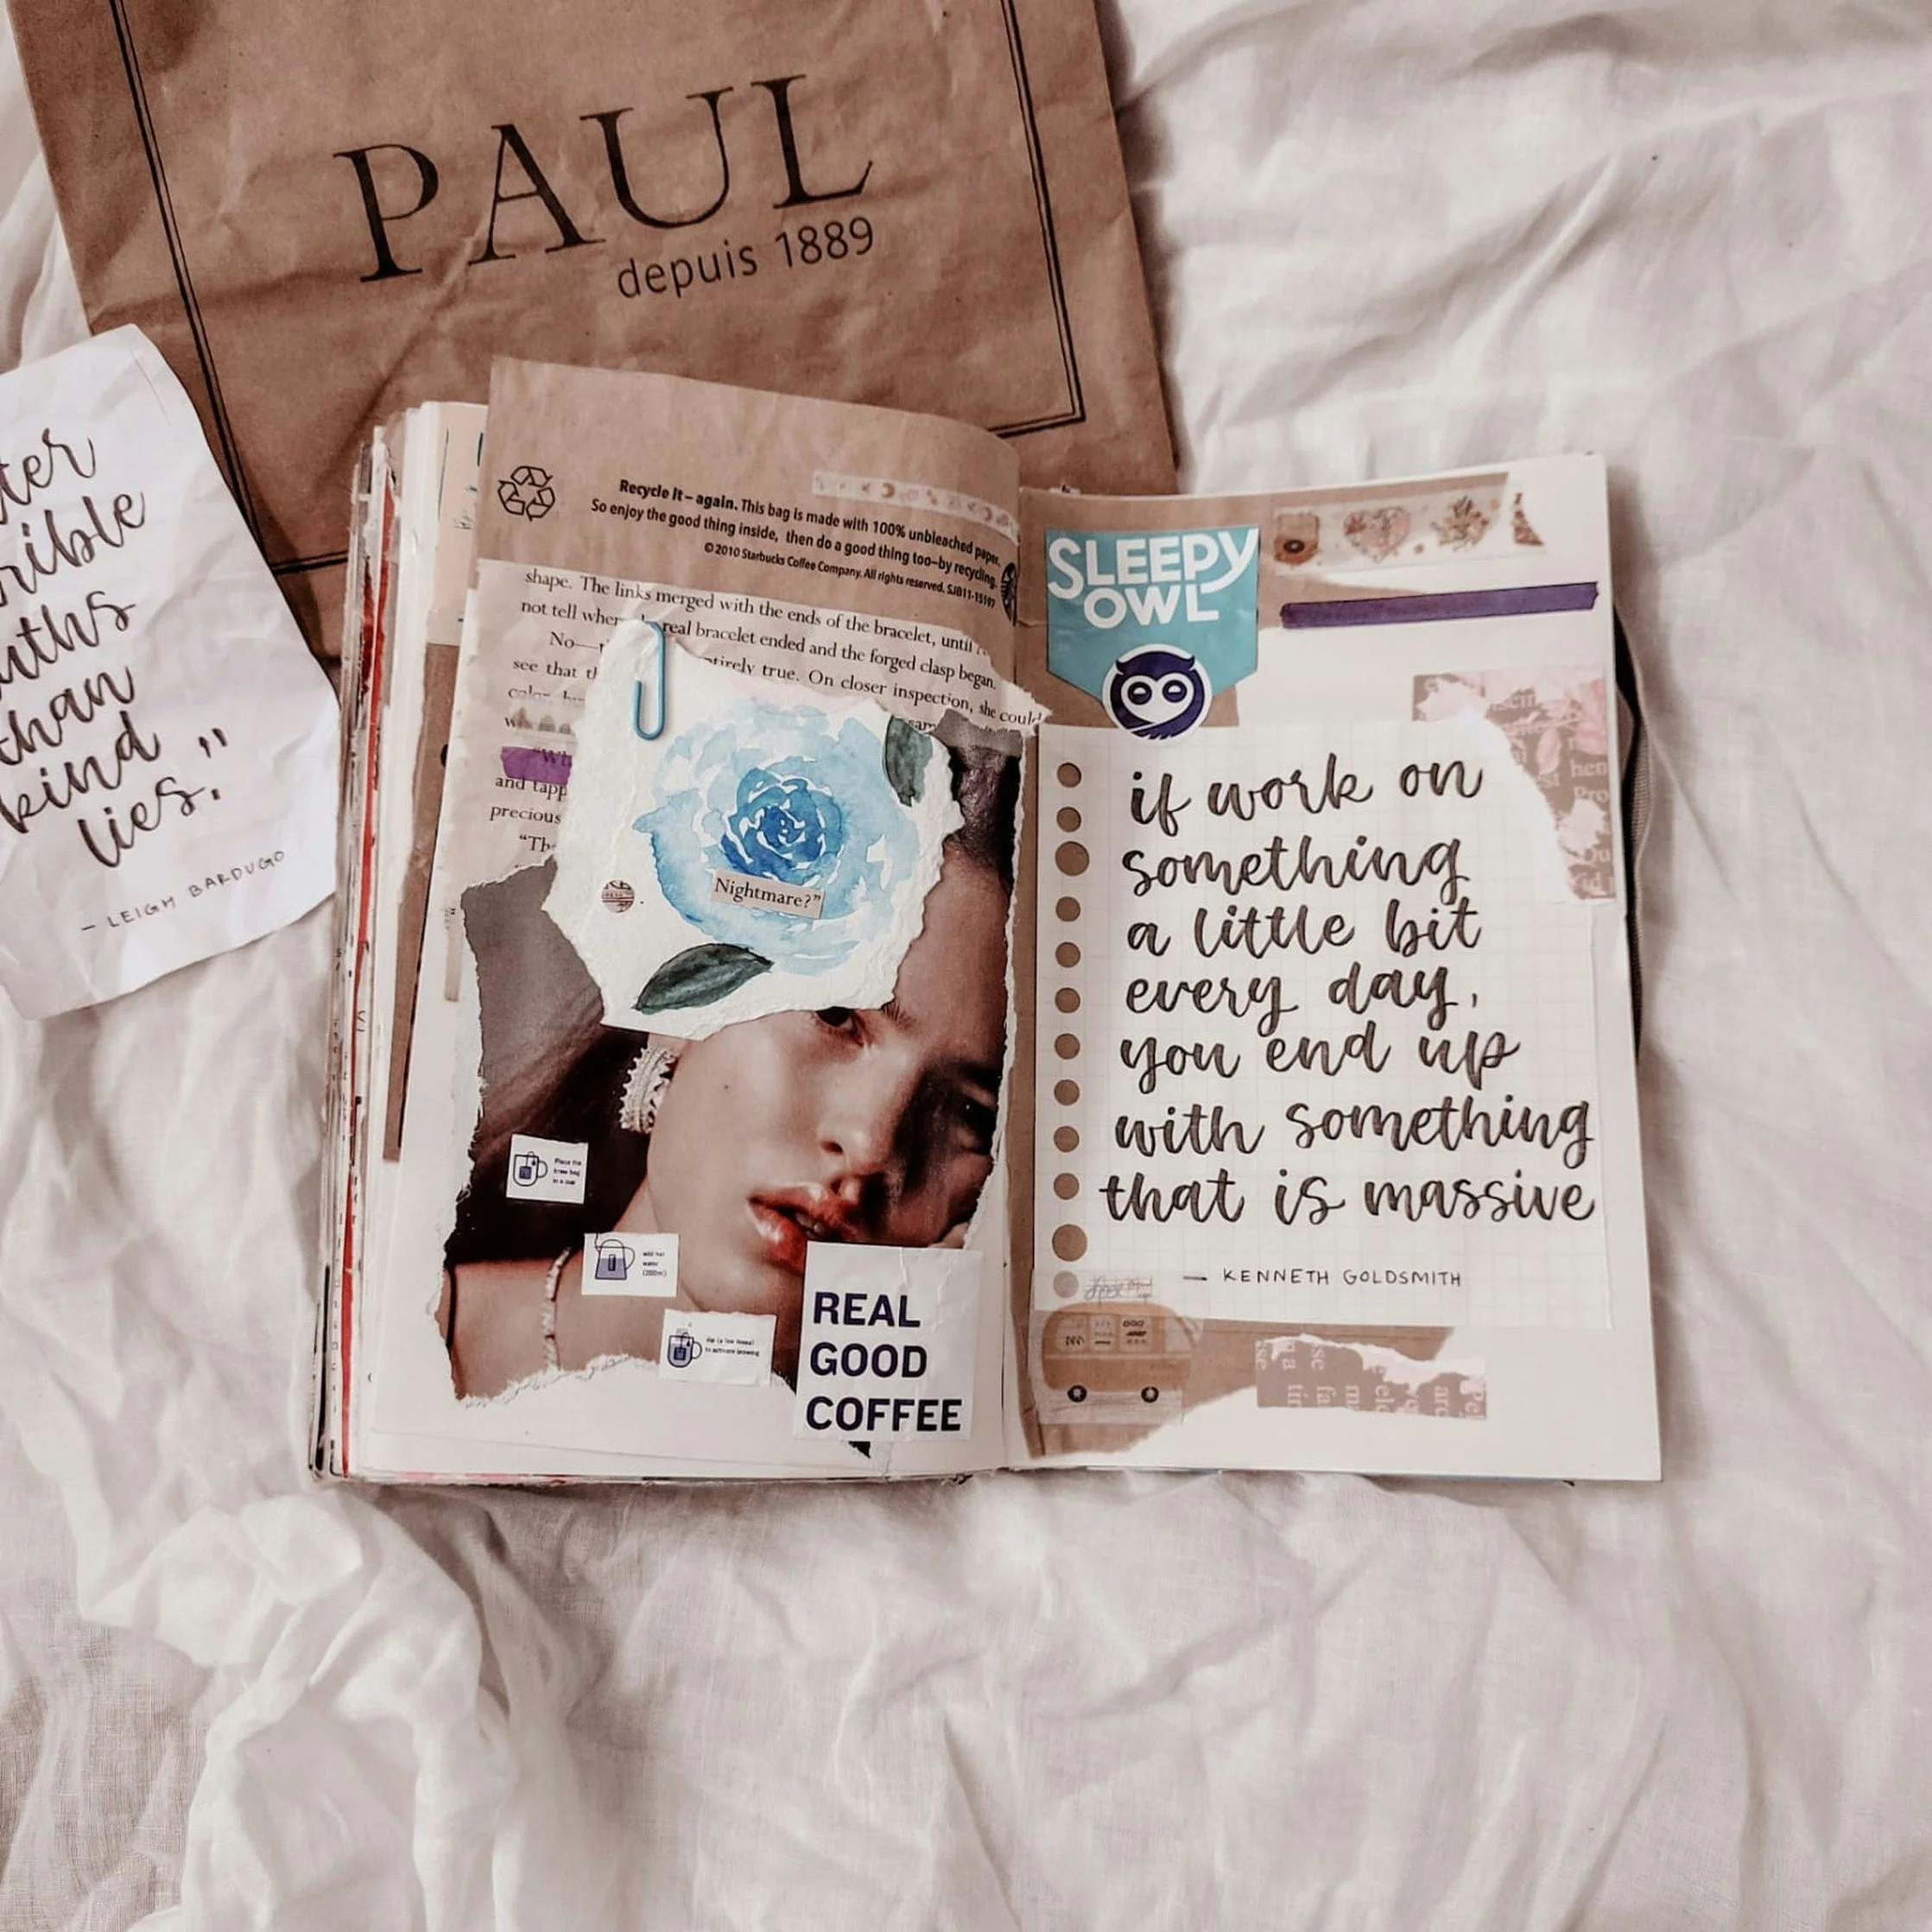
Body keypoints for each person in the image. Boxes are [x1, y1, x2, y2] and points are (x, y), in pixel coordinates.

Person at [441, 741, 1017, 1397]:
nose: (870, 1145)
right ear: (681, 998)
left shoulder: (934, 1452)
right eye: (833, 1013)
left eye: (970, 1113)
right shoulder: (403, 1340)